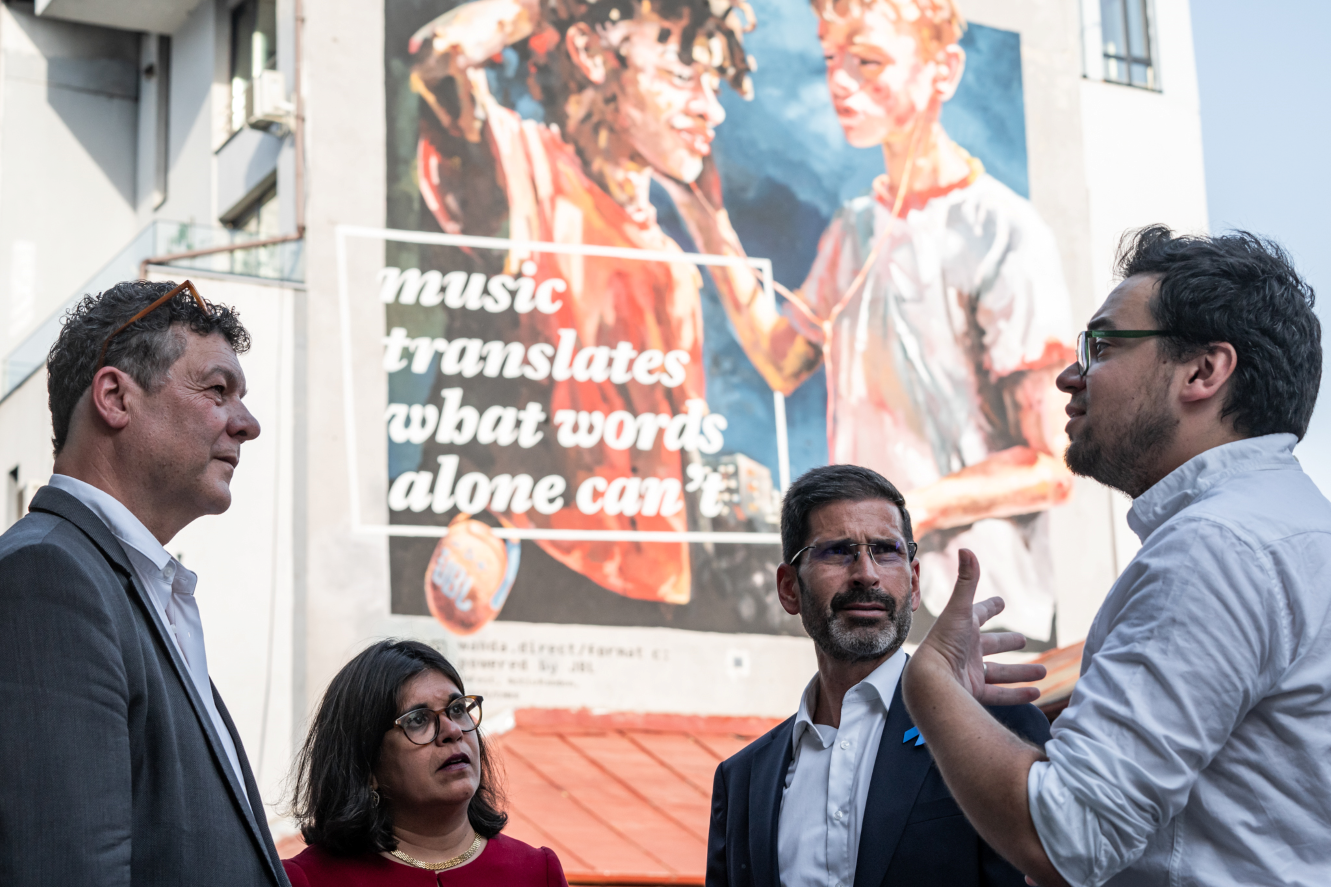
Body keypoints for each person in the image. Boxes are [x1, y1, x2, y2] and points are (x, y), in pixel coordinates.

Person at [901, 226, 1331, 887]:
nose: (1069, 375)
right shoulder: (1292, 533)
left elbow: (1066, 836)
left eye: (1100, 345)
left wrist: (928, 684)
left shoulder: (1214, 548)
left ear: (1202, 371)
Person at [664, 0, 1075, 642]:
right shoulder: (857, 226)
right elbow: (781, 358)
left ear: (944, 70)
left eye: (869, 60)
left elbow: (1051, 464)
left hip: (976, 604)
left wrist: (900, 517)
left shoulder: (1002, 229)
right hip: (872, 597)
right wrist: (704, 213)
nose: (841, 81)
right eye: (833, 58)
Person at [405, 0, 754, 606]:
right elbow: (440, 59)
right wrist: (547, 7)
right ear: (592, 53)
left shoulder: (672, 264)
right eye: (681, 75)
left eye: (714, 83)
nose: (710, 107)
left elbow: (681, 449)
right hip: (546, 572)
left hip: (662, 599)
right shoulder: (531, 169)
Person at [0, 280, 285, 885]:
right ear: (114, 397)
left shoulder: (120, 583)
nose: (248, 423)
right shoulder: (47, 577)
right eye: (216, 390)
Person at [705, 464, 1050, 886]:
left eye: (886, 550)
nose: (866, 573)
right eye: (837, 550)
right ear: (789, 588)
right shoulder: (743, 781)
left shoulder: (995, 730)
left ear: (916, 582)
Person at [284, 639, 568, 886]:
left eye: (458, 709)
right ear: (366, 764)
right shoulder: (307, 879)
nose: (453, 731)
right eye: (418, 719)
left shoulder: (536, 872)